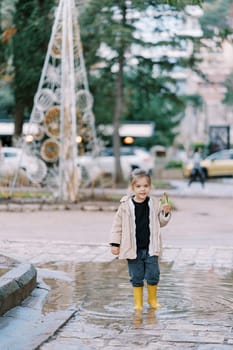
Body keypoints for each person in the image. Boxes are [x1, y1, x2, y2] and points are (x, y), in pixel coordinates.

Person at [109, 169, 171, 311]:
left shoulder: (155, 204)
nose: (142, 189)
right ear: (132, 188)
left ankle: (152, 300)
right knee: (136, 276)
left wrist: (165, 212)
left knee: (153, 274)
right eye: (138, 186)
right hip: (133, 249)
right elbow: (117, 226)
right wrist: (115, 243)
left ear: (150, 187)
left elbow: (161, 222)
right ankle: (138, 303)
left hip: (151, 247)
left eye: (145, 186)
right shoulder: (125, 206)